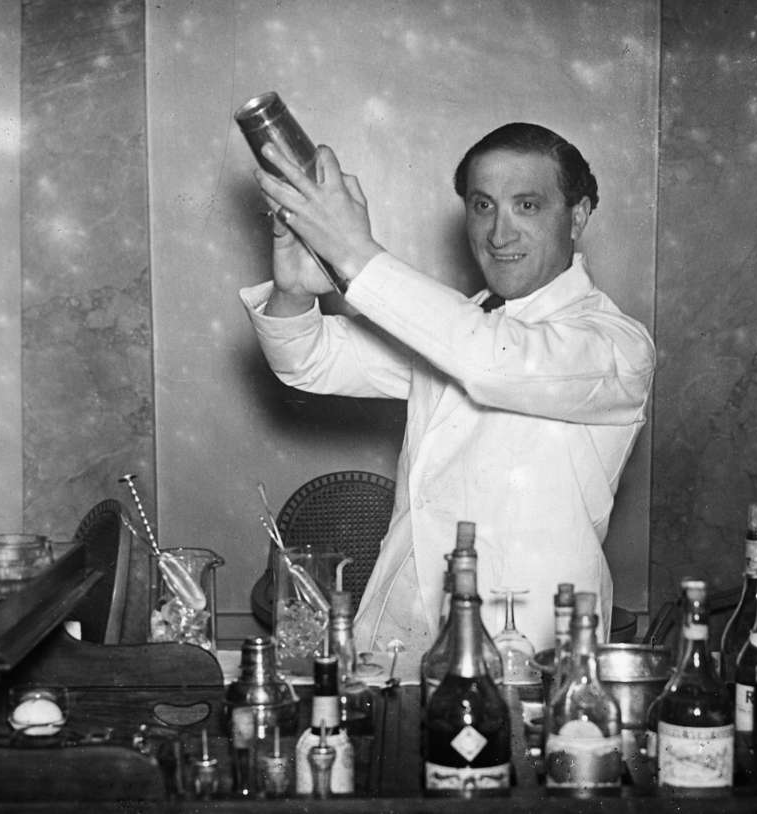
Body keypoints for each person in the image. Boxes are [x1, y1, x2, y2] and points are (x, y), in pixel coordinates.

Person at [240, 122, 654, 653]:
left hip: (525, 659)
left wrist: (354, 252)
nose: (500, 234)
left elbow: (491, 362)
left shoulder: (615, 346)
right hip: (394, 643)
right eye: (483, 206)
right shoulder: (458, 324)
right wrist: (294, 291)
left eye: (526, 206)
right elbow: (308, 358)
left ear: (578, 214)